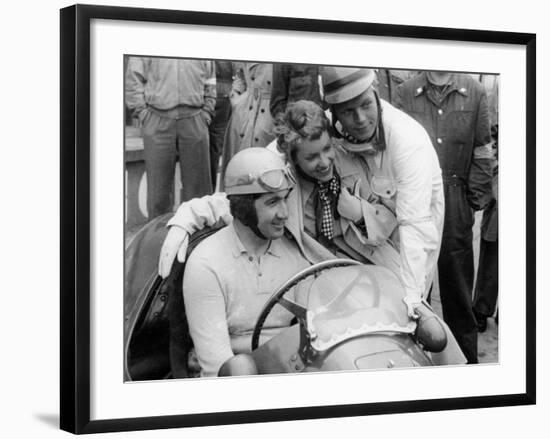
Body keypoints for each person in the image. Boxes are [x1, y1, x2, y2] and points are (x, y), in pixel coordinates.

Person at [183, 147, 309, 377]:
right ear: (243, 207)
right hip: (236, 380)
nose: (284, 213)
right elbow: (216, 366)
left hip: (294, 368)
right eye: (272, 203)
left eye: (285, 200)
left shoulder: (296, 250)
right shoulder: (206, 263)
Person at [396, 71, 493, 363]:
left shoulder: (474, 92)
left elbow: (483, 149)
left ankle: (466, 363)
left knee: (458, 291)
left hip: (455, 197)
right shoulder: (406, 92)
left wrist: (471, 200)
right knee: (412, 288)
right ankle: (411, 362)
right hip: (415, 196)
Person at [125, 57, 216, 219]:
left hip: (195, 118)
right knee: (158, 194)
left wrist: (207, 111)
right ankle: (160, 239)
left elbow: (210, 80)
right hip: (157, 118)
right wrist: (142, 112)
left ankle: (198, 240)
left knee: (199, 195)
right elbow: (133, 79)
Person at [219, 62, 275, 189]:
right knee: (239, 171)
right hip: (243, 114)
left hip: (271, 114)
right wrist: (236, 94)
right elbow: (240, 73)